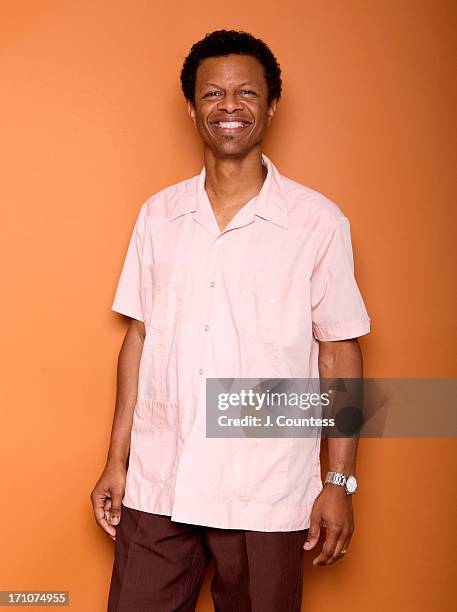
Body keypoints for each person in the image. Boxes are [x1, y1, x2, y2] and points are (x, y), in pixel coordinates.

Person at [91, 29, 371, 611]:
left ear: (271, 106)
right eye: (213, 94)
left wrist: (339, 482)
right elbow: (139, 337)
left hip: (264, 489)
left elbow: (339, 352)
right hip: (159, 481)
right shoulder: (159, 215)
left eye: (246, 92)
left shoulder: (317, 223)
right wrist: (116, 461)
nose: (229, 107)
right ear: (192, 108)